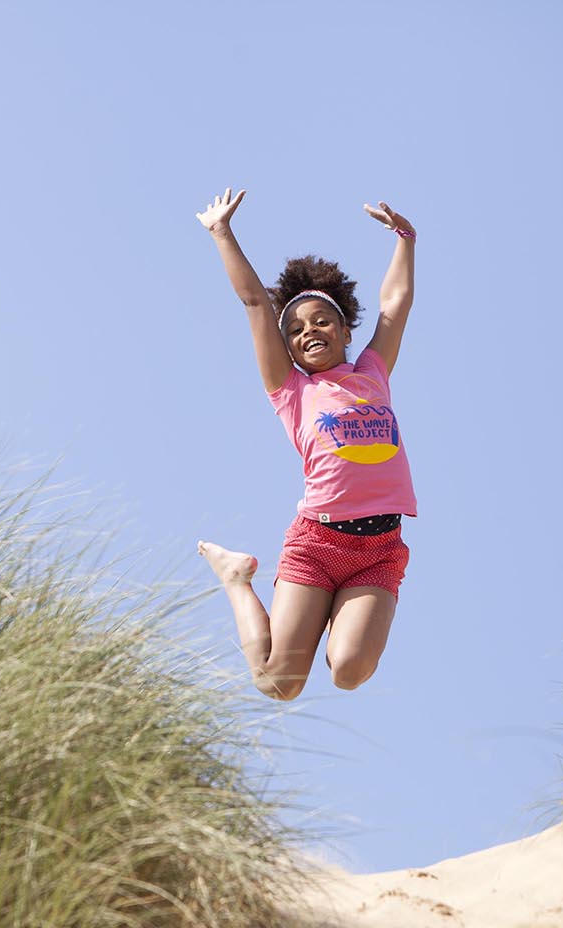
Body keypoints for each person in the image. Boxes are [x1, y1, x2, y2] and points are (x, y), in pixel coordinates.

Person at [195, 187, 418, 700]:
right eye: (294, 330)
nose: (308, 331)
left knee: (349, 670)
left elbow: (395, 305)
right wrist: (221, 232)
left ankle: (339, 620)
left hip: (379, 549)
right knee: (279, 684)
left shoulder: (372, 373)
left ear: (344, 331)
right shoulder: (291, 391)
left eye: (321, 321)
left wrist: (405, 238)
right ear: (289, 348)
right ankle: (235, 577)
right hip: (318, 544)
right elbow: (254, 302)